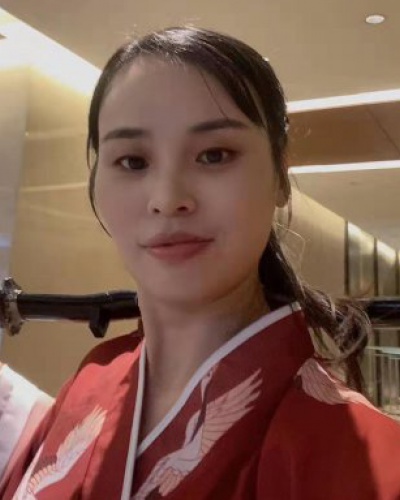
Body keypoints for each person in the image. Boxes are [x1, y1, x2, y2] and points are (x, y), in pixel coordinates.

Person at [1, 26, 400, 499]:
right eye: (132, 161)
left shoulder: (357, 455)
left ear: (280, 176)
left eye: (214, 155)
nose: (167, 198)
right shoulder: (92, 380)